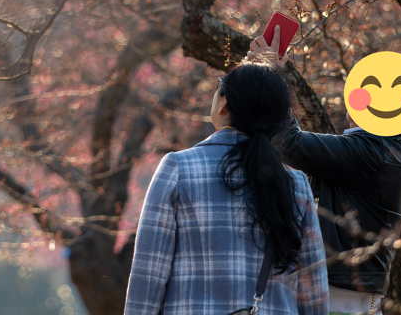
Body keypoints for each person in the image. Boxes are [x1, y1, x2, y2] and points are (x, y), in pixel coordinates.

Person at [250, 33, 401, 315]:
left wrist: (271, 77)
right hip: (347, 295)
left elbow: (289, 143)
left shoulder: (373, 149)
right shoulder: (386, 149)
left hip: (339, 298)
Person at [124, 59, 329, 315]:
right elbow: (314, 292)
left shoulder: (178, 168)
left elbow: (149, 275)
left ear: (224, 103)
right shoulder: (295, 183)